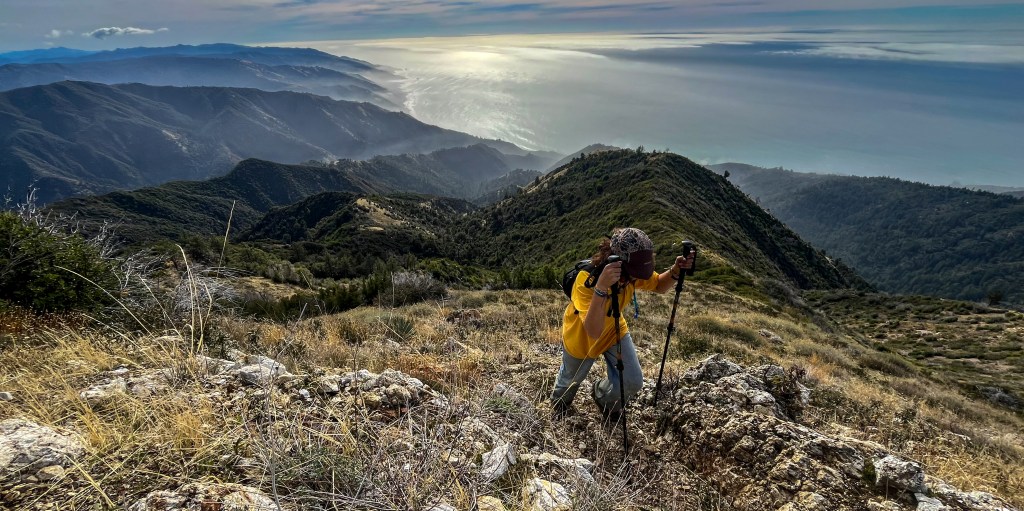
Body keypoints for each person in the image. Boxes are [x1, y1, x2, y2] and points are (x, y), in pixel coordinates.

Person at [551, 227, 695, 418]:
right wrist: (601, 288)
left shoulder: (631, 273)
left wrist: (676, 270)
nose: (636, 277)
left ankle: (603, 398)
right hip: (582, 339)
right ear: (618, 262)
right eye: (634, 273)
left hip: (614, 331)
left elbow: (659, 285)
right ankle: (558, 406)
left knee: (632, 381)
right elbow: (593, 331)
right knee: (568, 383)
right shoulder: (586, 280)